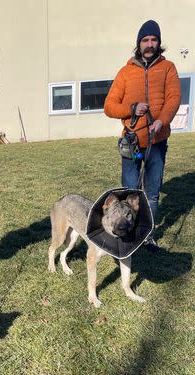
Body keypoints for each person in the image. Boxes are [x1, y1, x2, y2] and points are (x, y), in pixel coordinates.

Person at [104, 19, 181, 252]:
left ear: (158, 42)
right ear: (139, 43)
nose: (149, 44)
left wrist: (161, 121)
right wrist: (131, 109)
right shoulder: (125, 72)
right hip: (131, 143)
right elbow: (109, 106)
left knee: (152, 194)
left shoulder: (168, 68)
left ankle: (148, 235)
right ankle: (127, 232)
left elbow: (174, 99)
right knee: (128, 193)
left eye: (153, 39)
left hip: (157, 143)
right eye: (145, 40)